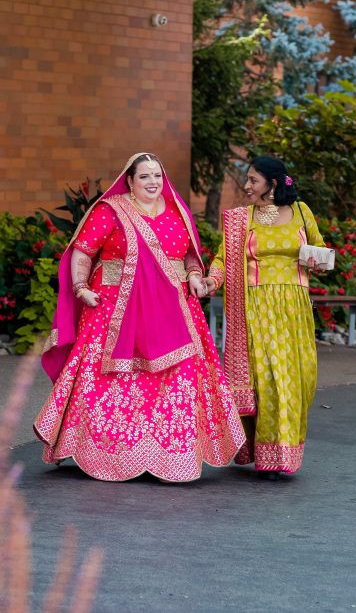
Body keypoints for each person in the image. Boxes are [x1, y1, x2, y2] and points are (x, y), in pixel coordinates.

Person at [35, 152, 245, 482]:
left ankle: (173, 457)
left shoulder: (177, 211)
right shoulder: (111, 211)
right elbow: (84, 250)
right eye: (144, 176)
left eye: (157, 176)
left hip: (173, 310)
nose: (153, 182)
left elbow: (190, 255)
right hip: (114, 309)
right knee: (109, 382)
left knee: (180, 380)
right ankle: (110, 454)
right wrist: (80, 287)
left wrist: (193, 276)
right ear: (129, 181)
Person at [204, 156, 325, 479]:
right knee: (269, 378)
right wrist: (211, 281)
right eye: (248, 179)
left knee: (298, 378)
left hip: (294, 308)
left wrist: (318, 262)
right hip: (255, 307)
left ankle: (286, 448)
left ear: (273, 184)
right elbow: (222, 258)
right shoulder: (241, 220)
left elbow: (322, 250)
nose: (247, 186)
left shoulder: (301, 212)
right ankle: (269, 456)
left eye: (253, 180)